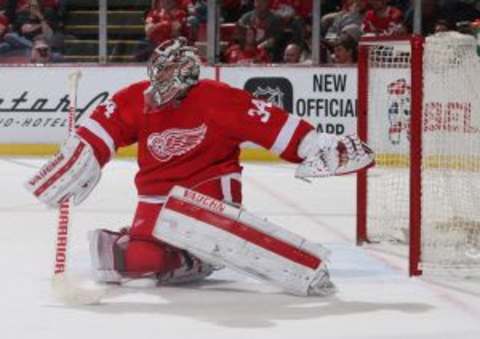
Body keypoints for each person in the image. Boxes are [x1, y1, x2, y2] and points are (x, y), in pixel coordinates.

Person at [25, 38, 374, 296]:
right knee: (130, 259)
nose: (161, 78)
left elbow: (276, 127)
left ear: (188, 75)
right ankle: (193, 260)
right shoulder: (136, 97)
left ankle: (209, 251)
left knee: (197, 226)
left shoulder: (219, 99)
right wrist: (80, 153)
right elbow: (103, 128)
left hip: (207, 200)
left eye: (171, 71)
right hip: (154, 203)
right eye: (159, 69)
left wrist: (319, 146)